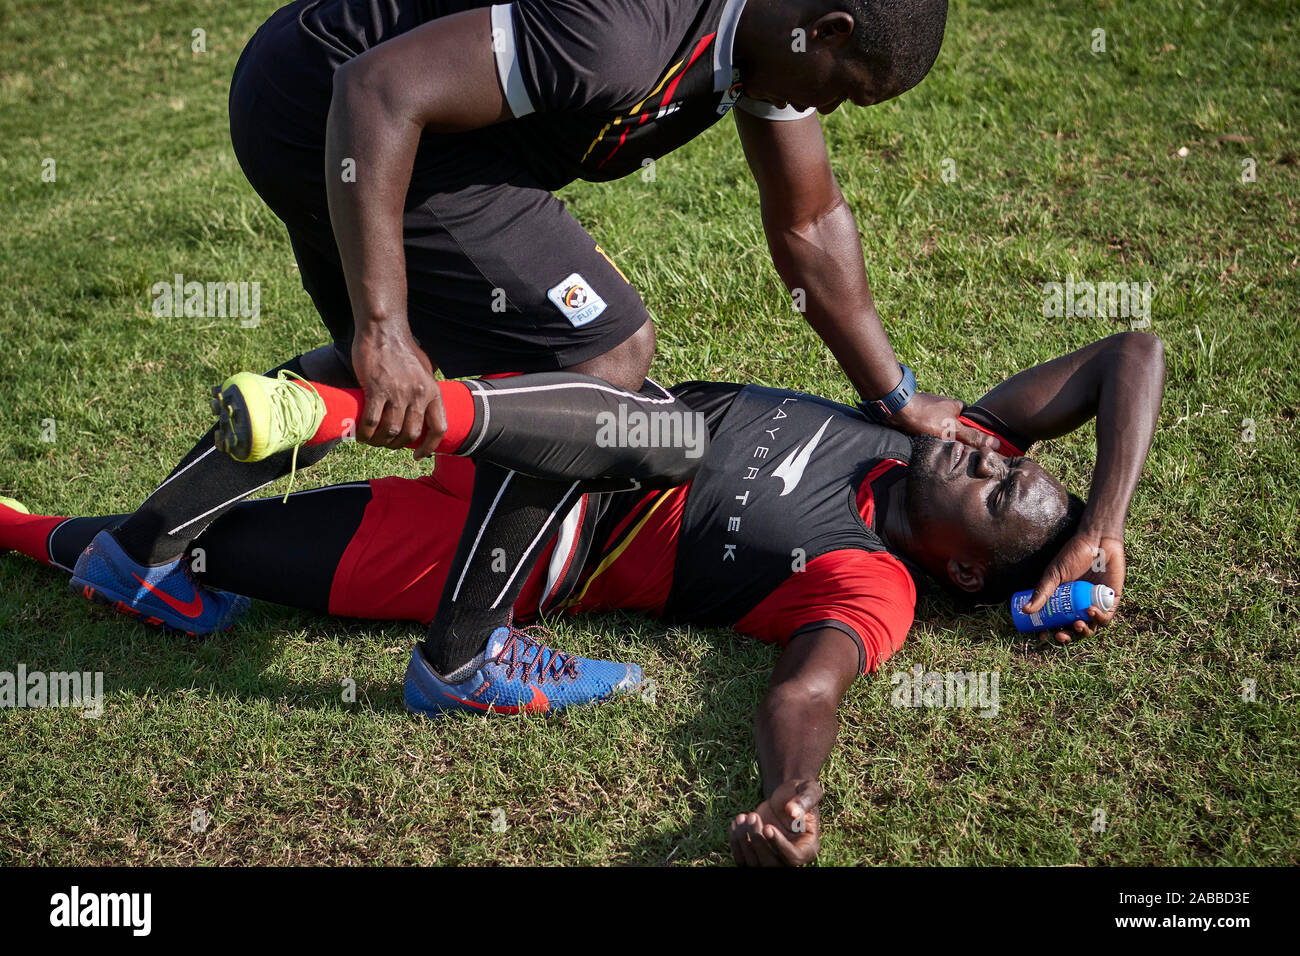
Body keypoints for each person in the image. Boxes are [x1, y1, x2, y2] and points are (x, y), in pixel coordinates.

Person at [69, 0, 993, 715]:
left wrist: (899, 394)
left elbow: (809, 221)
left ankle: (139, 558)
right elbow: (378, 90)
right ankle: (468, 657)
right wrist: (381, 324)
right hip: (347, 111)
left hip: (334, 104)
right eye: (845, 87)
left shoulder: (758, 39)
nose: (831, 108)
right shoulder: (627, 30)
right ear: (823, 29)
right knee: (603, 348)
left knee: (436, 357)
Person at [3, 331, 1166, 861]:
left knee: (196, 549)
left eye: (1003, 491)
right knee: (337, 371)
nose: (989, 457)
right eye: (1011, 456)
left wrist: (793, 792)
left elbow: (809, 688)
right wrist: (1098, 528)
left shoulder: (873, 582)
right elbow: (1133, 353)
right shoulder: (922, 431)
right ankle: (331, 412)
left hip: (491, 548)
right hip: (538, 405)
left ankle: (43, 534)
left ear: (966, 566)